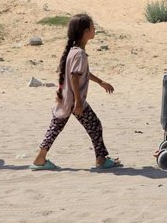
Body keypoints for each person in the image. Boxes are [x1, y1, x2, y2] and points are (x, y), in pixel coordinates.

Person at [31, 14, 122, 170]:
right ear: (85, 31)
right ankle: (101, 160)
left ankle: (40, 158)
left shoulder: (74, 51)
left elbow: (83, 73)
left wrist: (101, 82)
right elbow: (74, 77)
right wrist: (79, 103)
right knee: (95, 125)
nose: (95, 30)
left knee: (56, 128)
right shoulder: (79, 53)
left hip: (67, 99)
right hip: (74, 100)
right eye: (93, 28)